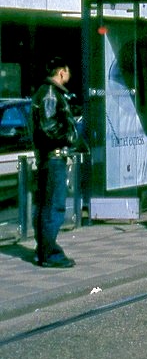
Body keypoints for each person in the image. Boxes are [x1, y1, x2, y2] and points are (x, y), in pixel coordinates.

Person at [31, 56, 79, 268]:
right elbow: (49, 127)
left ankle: (43, 251)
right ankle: (50, 253)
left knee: (45, 205)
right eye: (68, 70)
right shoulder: (51, 94)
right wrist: (69, 137)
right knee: (53, 206)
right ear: (62, 71)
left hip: (47, 158)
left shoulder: (45, 92)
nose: (69, 74)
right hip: (53, 158)